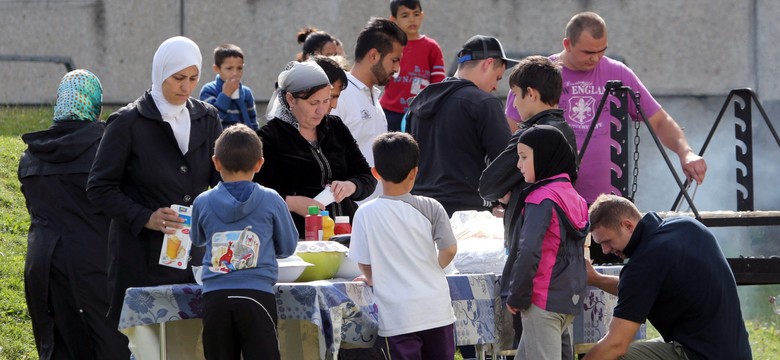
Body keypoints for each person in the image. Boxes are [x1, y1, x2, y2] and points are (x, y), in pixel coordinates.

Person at [505, 11, 708, 264]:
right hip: (555, 203)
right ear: (567, 44)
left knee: (608, 276)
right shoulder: (541, 76)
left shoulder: (617, 72)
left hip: (606, 210)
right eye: (587, 52)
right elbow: (513, 133)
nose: (596, 58)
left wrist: (685, 152)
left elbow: (659, 120)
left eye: (601, 51)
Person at [87, 36, 222, 325]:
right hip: (141, 257)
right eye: (178, 78)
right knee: (148, 341)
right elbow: (99, 188)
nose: (186, 87)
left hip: (194, 256)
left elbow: (219, 179)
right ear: (160, 73)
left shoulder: (207, 117)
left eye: (193, 79)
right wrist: (146, 217)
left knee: (194, 339)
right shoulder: (127, 122)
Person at [18, 69, 129, 360]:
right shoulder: (104, 149)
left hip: (41, 264)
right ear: (95, 104)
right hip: (92, 263)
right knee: (107, 347)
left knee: (56, 347)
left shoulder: (31, 155)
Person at [479, 56, 578, 359]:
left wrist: (518, 293)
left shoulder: (533, 135)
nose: (513, 104)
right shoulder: (565, 131)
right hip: (562, 281)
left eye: (515, 95)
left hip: (537, 284)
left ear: (531, 94)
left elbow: (489, 184)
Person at [583, 194, 752, 360]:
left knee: (612, 356)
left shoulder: (644, 263)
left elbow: (616, 345)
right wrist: (597, 279)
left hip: (698, 354)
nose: (605, 250)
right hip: (736, 352)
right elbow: (640, 288)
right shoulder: (687, 226)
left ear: (628, 226)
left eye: (607, 241)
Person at [191, 124, 298, 360]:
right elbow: (288, 246)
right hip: (257, 295)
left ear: (216, 162)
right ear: (260, 163)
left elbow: (197, 239)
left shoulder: (202, 201)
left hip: (215, 297)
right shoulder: (271, 199)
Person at [349, 132, 458, 360]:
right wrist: (431, 269)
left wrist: (374, 278)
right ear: (414, 172)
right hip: (436, 309)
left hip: (397, 316)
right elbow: (449, 249)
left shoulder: (365, 213)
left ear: (375, 173)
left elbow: (363, 263)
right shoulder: (431, 206)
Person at [255, 60, 375, 236]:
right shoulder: (268, 138)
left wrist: (351, 186)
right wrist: (291, 203)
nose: (321, 110)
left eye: (326, 101)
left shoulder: (336, 127)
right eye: (313, 103)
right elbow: (256, 195)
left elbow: (367, 176)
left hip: (344, 232)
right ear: (290, 99)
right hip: (297, 236)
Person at [501, 125, 588, 360]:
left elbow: (528, 250)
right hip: (568, 298)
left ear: (544, 156)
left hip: (542, 299)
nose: (518, 165)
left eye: (523, 157)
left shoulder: (540, 198)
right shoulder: (576, 198)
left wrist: (517, 294)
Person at [407, 34, 515, 216]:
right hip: (467, 215)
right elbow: (505, 163)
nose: (496, 86)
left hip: (420, 211)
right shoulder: (485, 103)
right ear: (488, 64)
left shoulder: (420, 102)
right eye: (498, 77)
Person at [331, 17, 407, 202]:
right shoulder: (340, 96)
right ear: (373, 56)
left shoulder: (374, 98)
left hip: (374, 210)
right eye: (394, 60)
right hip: (348, 213)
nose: (397, 69)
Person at [380, 0, 446, 131]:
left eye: (416, 14)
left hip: (421, 113)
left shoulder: (432, 47)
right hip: (390, 112)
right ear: (393, 19)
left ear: (422, 15)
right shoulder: (389, 46)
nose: (411, 19)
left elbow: (438, 83)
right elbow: (380, 75)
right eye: (405, 15)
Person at [199, 43, 259, 130]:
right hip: (221, 138)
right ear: (216, 68)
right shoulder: (209, 90)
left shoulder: (246, 92)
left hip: (245, 137)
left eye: (239, 68)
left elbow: (253, 122)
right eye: (229, 68)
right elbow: (211, 122)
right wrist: (226, 94)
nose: (235, 73)